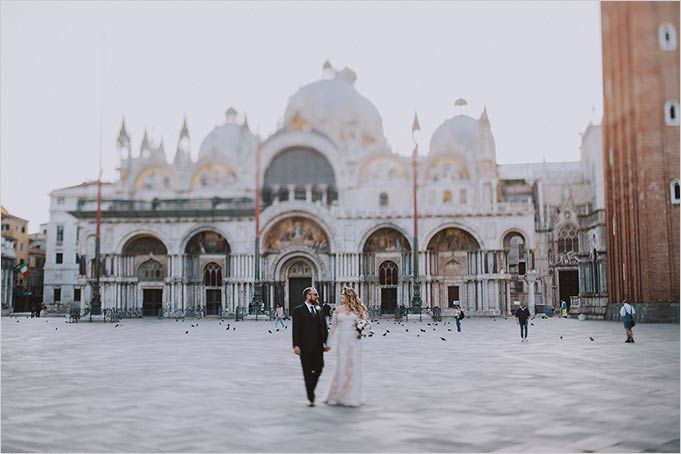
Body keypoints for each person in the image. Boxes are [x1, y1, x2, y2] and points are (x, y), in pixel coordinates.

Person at [325, 286, 367, 407]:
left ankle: (352, 395)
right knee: (342, 365)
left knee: (353, 366)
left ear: (349, 296)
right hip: (342, 340)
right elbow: (333, 328)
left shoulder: (359, 310)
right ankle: (339, 394)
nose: (341, 297)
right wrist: (328, 343)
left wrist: (362, 331)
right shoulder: (338, 310)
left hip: (355, 341)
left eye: (343, 295)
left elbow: (364, 325)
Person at [292, 287, 330, 407]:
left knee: (319, 368)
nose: (317, 297)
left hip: (318, 346)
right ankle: (311, 395)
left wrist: (326, 342)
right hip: (305, 347)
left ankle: (311, 387)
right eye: (315, 295)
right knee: (307, 372)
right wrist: (296, 345)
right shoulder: (298, 311)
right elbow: (295, 330)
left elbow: (324, 327)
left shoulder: (319, 309)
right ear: (308, 296)